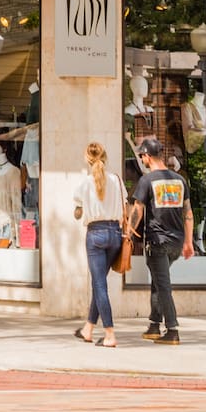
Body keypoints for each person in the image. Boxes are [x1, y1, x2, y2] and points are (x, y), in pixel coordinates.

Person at [125, 136, 193, 345]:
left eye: (141, 156)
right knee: (158, 279)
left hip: (157, 240)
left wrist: (128, 232)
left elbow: (138, 209)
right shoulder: (179, 180)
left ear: (146, 156)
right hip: (176, 241)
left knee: (163, 285)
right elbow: (188, 213)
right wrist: (188, 242)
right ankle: (154, 324)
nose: (142, 160)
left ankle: (172, 329)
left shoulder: (147, 180)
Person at [73, 141, 126, 347]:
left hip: (95, 234)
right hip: (115, 233)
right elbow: (125, 207)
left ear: (87, 159)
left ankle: (110, 334)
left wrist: (80, 210)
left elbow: (78, 213)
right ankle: (88, 328)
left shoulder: (84, 183)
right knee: (100, 283)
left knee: (99, 285)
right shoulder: (117, 180)